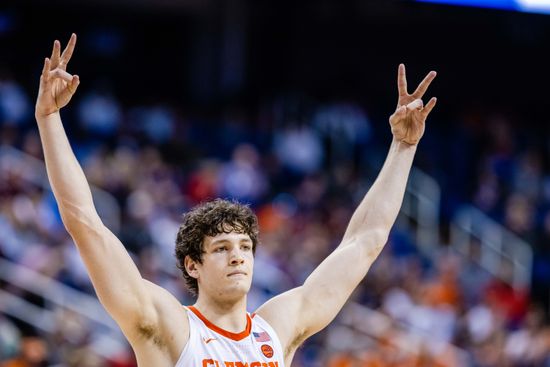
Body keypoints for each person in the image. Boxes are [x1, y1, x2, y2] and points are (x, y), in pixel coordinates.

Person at [35, 34, 437, 367]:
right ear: (192, 264)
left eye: (245, 246)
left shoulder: (277, 328)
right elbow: (86, 224)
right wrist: (49, 119)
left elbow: (364, 242)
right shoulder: (170, 327)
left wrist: (403, 147)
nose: (238, 256)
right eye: (222, 248)